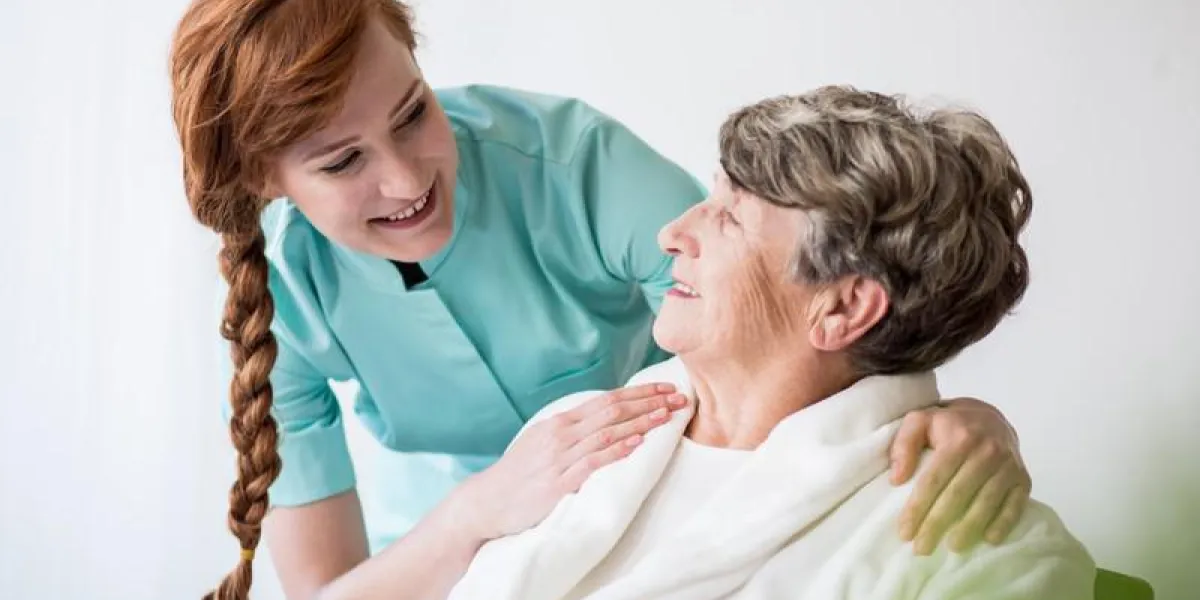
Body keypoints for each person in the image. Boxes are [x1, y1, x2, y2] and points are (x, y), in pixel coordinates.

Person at [167, 1, 1033, 599]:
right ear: (262, 180)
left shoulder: (578, 168)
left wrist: (953, 409)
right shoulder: (280, 310)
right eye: (342, 161)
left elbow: (797, 318)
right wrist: (478, 514)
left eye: (411, 114)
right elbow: (328, 592)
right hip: (430, 562)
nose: (405, 177)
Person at [449, 86, 1095, 600]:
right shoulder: (567, 443)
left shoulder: (975, 553)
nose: (672, 232)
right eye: (710, 197)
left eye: (730, 216)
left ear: (842, 307)